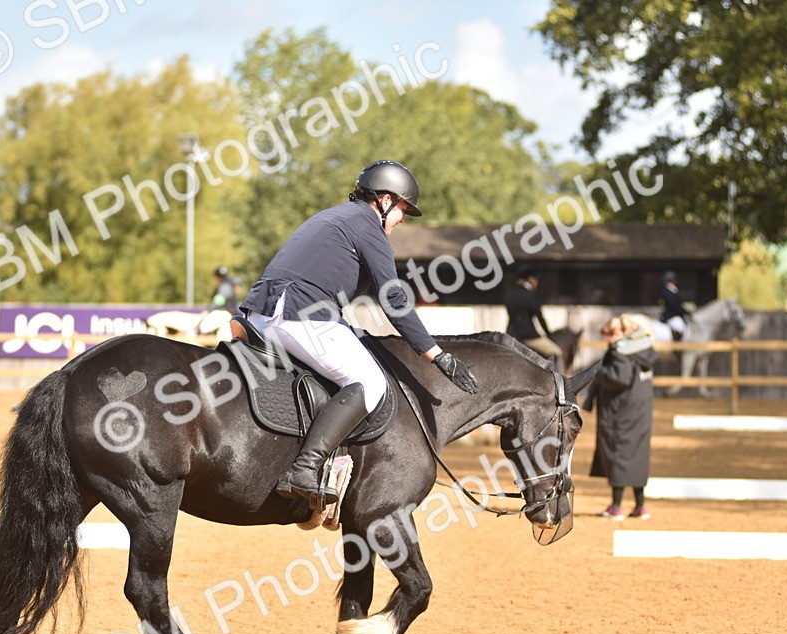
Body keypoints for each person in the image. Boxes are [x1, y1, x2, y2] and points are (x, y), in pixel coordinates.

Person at [239, 160, 478, 508]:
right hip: (296, 317)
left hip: (261, 313)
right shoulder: (368, 226)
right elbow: (393, 298)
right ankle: (304, 468)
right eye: (402, 210)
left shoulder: (331, 216)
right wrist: (435, 353)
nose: (402, 220)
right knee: (369, 382)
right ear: (384, 200)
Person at [586, 314, 657, 521]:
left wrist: (600, 372)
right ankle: (640, 506)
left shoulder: (621, 353)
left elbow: (620, 379)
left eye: (609, 334)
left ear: (621, 332)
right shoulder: (645, 350)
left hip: (620, 413)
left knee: (618, 456)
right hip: (641, 412)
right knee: (638, 458)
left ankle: (616, 507)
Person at [505, 266, 564, 370]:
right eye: (536, 280)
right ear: (531, 279)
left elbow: (511, 318)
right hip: (529, 337)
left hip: (513, 335)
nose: (537, 283)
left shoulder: (510, 295)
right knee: (557, 352)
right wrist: (548, 335)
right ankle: (556, 382)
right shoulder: (530, 295)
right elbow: (540, 318)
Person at [659, 271, 691, 341]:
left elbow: (679, 304)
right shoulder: (666, 291)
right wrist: (684, 312)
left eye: (673, 280)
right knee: (680, 327)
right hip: (671, 315)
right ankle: (677, 348)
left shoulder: (674, 290)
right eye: (671, 280)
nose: (674, 282)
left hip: (676, 315)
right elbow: (674, 305)